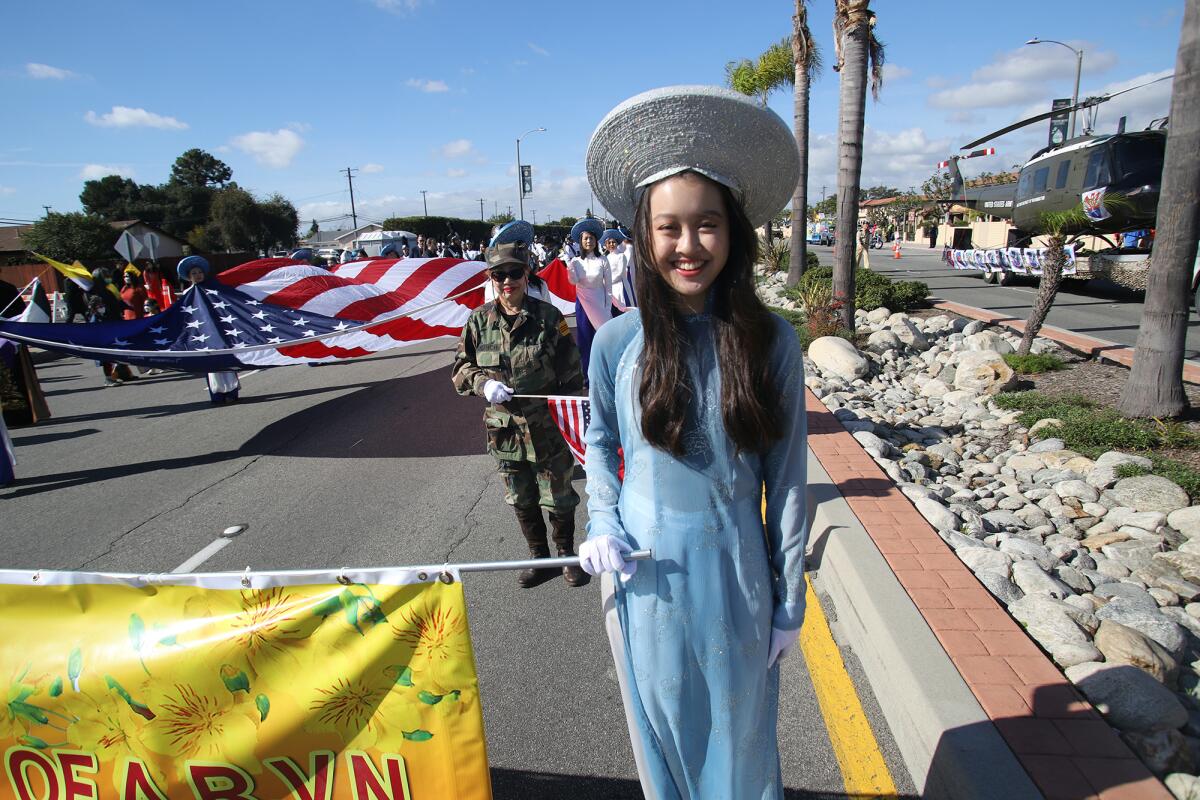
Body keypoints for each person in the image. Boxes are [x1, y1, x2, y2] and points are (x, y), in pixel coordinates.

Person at [577, 85, 808, 798]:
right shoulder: (616, 341)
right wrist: (603, 523)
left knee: (740, 758)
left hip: (737, 581)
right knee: (663, 745)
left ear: (732, 231)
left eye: (706, 225)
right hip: (643, 579)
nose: (687, 245)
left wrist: (789, 601)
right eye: (669, 227)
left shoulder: (771, 342)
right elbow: (599, 439)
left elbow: (789, 478)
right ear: (643, 236)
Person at [451, 238, 589, 589]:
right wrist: (482, 384)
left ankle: (566, 557)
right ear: (491, 279)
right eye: (499, 275)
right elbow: (461, 368)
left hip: (548, 428)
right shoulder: (478, 322)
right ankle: (539, 558)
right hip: (505, 432)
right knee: (521, 497)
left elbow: (572, 373)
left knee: (559, 497)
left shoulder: (548, 318)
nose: (507, 281)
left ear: (526, 275)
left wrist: (578, 419)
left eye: (514, 273)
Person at [567, 217, 626, 375]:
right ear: (581, 241)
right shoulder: (576, 261)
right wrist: (571, 269)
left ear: (596, 241)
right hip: (583, 305)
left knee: (604, 339)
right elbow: (573, 282)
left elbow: (608, 286)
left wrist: (607, 307)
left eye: (591, 238)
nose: (588, 241)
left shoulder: (603, 260)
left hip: (601, 304)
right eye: (586, 238)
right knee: (585, 340)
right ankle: (587, 375)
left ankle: (607, 372)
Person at [178, 256, 240, 404]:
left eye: (199, 272)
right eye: (194, 273)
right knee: (211, 364)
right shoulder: (187, 293)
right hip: (202, 333)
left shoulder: (213, 289)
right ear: (188, 277)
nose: (198, 275)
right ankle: (217, 395)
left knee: (226, 360)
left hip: (220, 330)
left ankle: (232, 392)